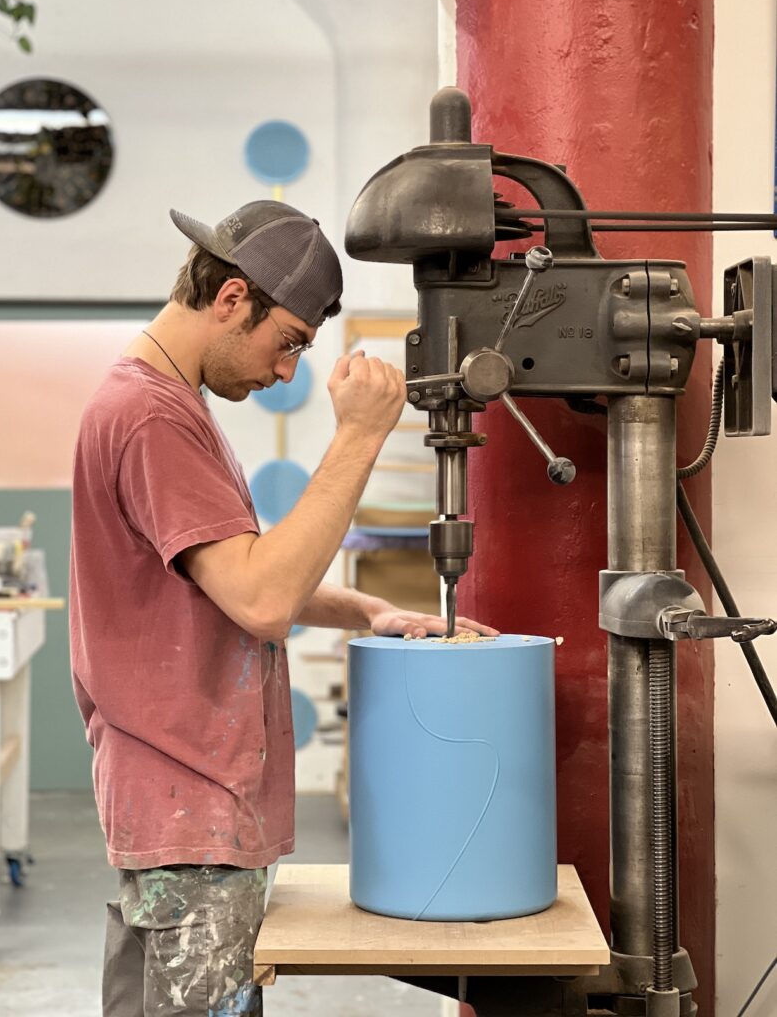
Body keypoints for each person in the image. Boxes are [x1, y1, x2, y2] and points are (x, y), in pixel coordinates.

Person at [69, 200, 497, 1017]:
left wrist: (371, 610)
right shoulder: (153, 416)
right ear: (232, 298)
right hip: (188, 810)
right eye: (290, 342)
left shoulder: (169, 407)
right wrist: (359, 438)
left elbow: (236, 578)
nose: (287, 371)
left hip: (180, 806)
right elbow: (264, 600)